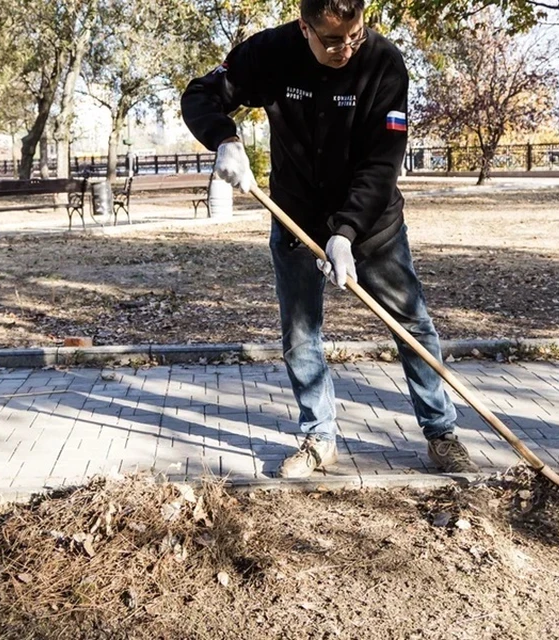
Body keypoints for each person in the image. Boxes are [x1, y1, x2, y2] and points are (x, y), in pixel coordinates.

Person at [181, 0, 479, 478]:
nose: (346, 48)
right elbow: (201, 94)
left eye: (354, 35)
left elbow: (382, 164)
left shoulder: (384, 62)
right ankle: (319, 437)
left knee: (412, 325)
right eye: (333, 40)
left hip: (372, 226)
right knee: (300, 333)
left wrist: (345, 233)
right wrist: (223, 138)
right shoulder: (271, 53)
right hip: (295, 220)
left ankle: (441, 432)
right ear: (305, 27)